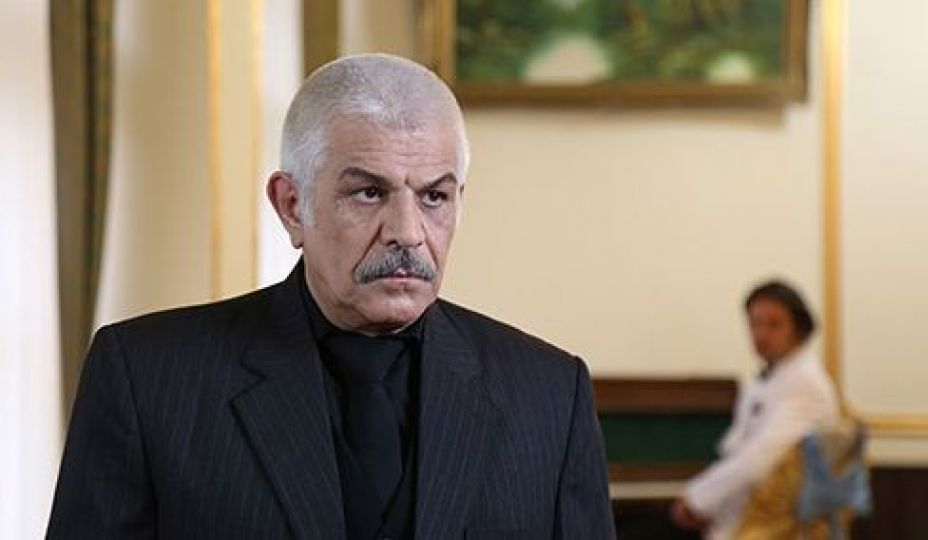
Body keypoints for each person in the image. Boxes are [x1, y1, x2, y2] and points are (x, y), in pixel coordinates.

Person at [47, 53, 615, 539]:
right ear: (292, 205)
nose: (407, 232)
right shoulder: (146, 378)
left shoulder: (549, 395)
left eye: (434, 197)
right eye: (368, 192)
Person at [671, 280, 841, 539]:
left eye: (773, 324)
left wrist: (697, 500)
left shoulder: (806, 383)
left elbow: (759, 458)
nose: (760, 335)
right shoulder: (768, 379)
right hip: (743, 516)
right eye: (754, 323)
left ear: (799, 329)